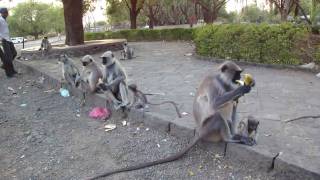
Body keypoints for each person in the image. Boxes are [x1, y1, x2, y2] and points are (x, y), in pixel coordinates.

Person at [0, 8, 17, 78]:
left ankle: (5, 65)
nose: (6, 14)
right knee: (8, 57)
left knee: (14, 53)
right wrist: (1, 38)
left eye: (6, 12)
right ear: (1, 13)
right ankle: (10, 73)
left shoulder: (4, 20)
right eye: (4, 13)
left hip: (9, 40)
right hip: (4, 40)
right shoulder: (0, 20)